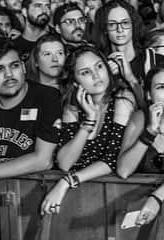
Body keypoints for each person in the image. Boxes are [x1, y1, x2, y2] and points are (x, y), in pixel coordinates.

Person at [40, 46, 135, 215]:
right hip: (76, 197)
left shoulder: (123, 99)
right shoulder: (72, 107)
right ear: (76, 82)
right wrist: (89, 121)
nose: (96, 75)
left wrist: (66, 182)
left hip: (112, 197)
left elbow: (112, 160)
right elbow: (64, 163)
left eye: (99, 66)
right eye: (85, 72)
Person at [0, 37, 60, 187]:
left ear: (24, 68)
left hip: (32, 189)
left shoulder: (47, 97)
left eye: (14, 66)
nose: (9, 75)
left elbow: (43, 161)